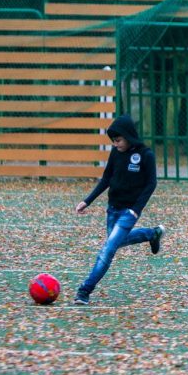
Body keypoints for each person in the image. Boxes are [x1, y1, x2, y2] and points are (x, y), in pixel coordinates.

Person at [73, 114, 164, 305]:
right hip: (112, 209)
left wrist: (135, 210)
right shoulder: (116, 153)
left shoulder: (146, 155)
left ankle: (84, 291)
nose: (115, 144)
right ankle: (151, 234)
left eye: (118, 140)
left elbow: (151, 184)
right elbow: (106, 179)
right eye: (113, 141)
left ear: (129, 136)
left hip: (128, 212)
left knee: (108, 250)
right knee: (117, 242)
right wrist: (87, 201)